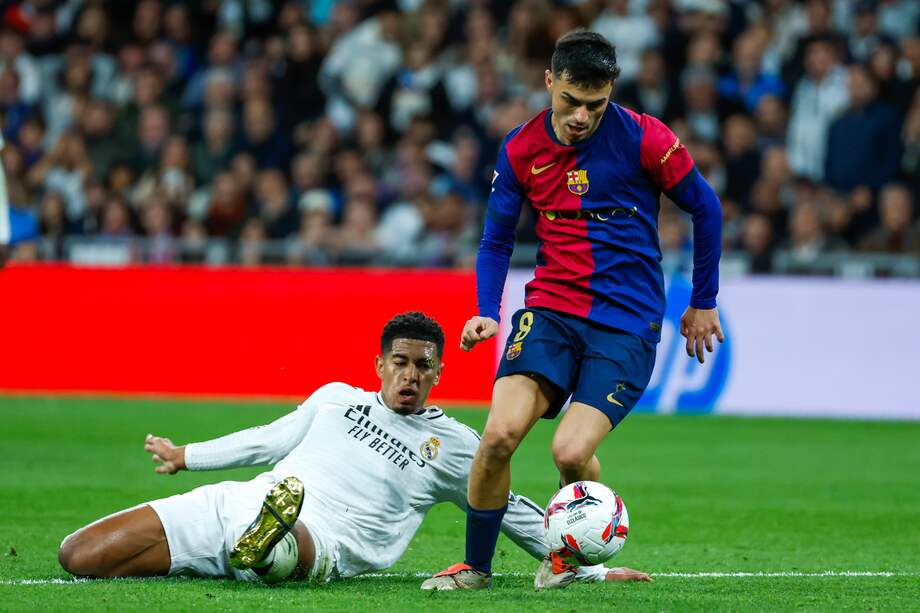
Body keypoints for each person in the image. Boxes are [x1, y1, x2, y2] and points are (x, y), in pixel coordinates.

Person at [423, 30, 723, 591]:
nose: (582, 116)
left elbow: (706, 208)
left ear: (611, 93)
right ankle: (475, 568)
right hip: (552, 309)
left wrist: (703, 301)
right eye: (570, 101)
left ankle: (577, 554)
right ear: (548, 82)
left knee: (569, 451)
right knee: (498, 437)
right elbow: (495, 241)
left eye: (595, 104)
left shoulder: (645, 139)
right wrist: (488, 309)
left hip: (625, 323)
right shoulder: (519, 148)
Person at [58, 312, 650, 586]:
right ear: (379, 365)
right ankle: (240, 550)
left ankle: (267, 547)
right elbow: (269, 439)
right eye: (400, 363)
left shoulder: (457, 447)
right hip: (239, 499)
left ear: (439, 373)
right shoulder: (336, 398)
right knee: (78, 555)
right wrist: (188, 455)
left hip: (328, 537)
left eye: (424, 366)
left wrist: (590, 568)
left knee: (289, 549)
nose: (410, 375)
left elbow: (513, 512)